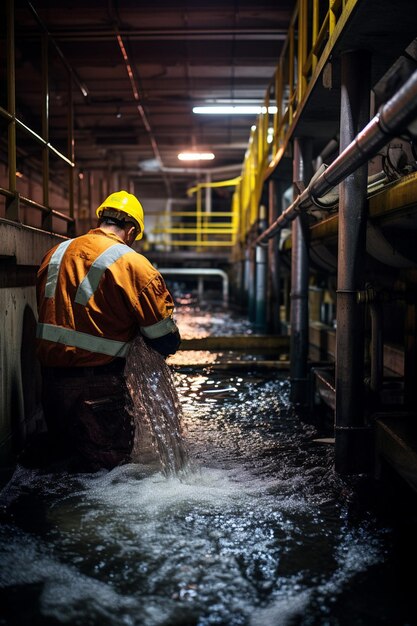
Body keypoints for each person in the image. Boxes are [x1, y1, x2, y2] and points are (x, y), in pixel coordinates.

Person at [35, 190, 181, 472]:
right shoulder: (134, 265)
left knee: (64, 472)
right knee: (108, 475)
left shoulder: (55, 253)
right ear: (132, 231)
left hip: (51, 385)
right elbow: (164, 340)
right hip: (98, 387)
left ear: (101, 218)